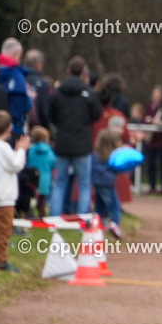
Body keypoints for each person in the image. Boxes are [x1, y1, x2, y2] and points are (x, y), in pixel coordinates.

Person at [47, 56, 103, 216]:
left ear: (68, 70)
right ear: (83, 73)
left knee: (59, 182)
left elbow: (51, 115)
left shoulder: (58, 92)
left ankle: (54, 219)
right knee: (84, 184)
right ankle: (83, 220)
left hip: (62, 142)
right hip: (82, 144)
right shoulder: (89, 93)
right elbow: (97, 114)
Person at [0, 110, 30, 272]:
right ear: (9, 129)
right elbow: (16, 164)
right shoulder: (4, 147)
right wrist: (21, 150)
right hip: (3, 197)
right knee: (2, 231)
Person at [0, 38, 30, 140]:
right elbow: (19, 104)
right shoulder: (16, 76)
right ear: (16, 53)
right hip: (12, 129)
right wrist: (29, 99)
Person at [92, 129, 123, 239]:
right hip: (108, 184)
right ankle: (115, 224)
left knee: (99, 205)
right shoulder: (113, 156)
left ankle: (98, 225)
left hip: (96, 183)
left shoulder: (95, 154)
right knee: (114, 205)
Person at [143, 86, 162, 194]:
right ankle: (152, 186)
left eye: (159, 95)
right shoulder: (149, 106)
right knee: (151, 164)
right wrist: (150, 120)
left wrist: (160, 122)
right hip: (151, 140)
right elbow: (145, 118)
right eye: (155, 95)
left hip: (161, 140)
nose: (157, 97)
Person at [25, 126, 55, 217]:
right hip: (45, 179)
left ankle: (29, 215)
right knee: (42, 200)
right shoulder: (49, 151)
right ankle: (42, 216)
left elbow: (27, 162)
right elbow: (53, 163)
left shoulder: (31, 150)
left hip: (32, 178)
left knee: (30, 199)